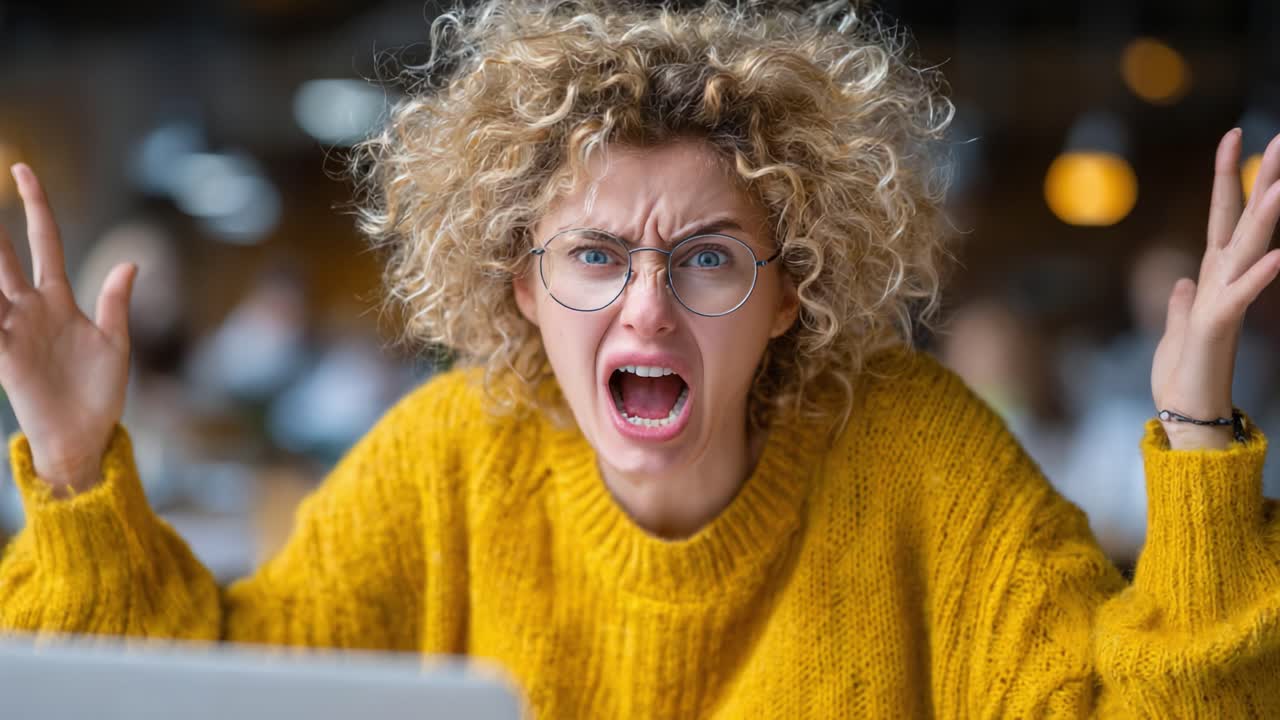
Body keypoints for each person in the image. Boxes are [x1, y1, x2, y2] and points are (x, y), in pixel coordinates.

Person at [3, 1, 1280, 716]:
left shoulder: (913, 453)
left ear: (791, 294)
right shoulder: (449, 460)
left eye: (710, 259)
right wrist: (70, 472)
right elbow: (200, 694)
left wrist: (1199, 440)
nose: (647, 313)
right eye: (596, 257)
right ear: (519, 286)